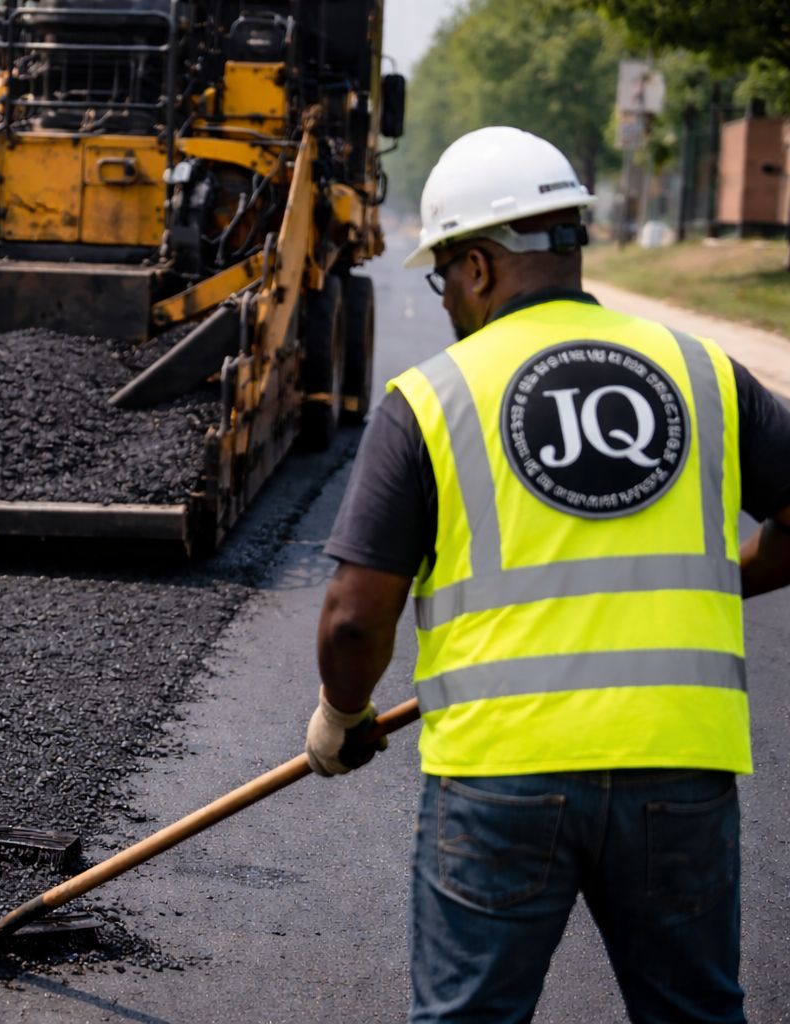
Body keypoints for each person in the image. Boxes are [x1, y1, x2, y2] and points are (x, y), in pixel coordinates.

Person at [307, 125, 790, 1023]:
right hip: (679, 767)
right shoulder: (705, 371)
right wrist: (710, 584)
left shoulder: (433, 397)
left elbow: (352, 620)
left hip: (502, 776)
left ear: (480, 268)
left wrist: (343, 716)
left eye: (442, 275)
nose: (445, 296)